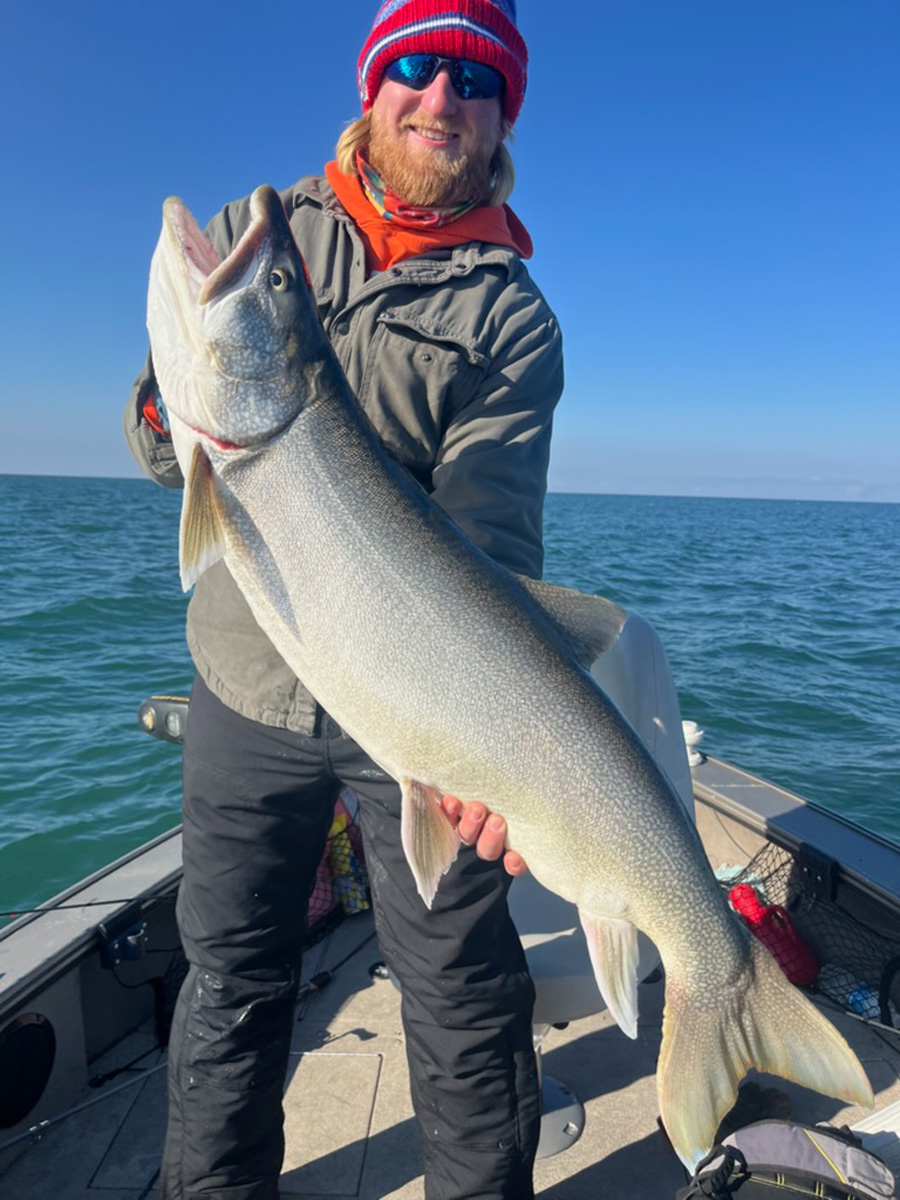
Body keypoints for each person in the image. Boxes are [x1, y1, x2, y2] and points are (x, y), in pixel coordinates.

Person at [125, 2, 563, 1197]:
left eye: (475, 79)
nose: (440, 97)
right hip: (249, 680)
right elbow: (170, 452)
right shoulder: (259, 238)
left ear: (502, 112)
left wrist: (492, 749)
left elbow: (489, 542)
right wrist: (172, 409)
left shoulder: (511, 317)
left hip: (411, 715)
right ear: (375, 86)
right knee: (229, 980)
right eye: (416, 66)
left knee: (466, 993)